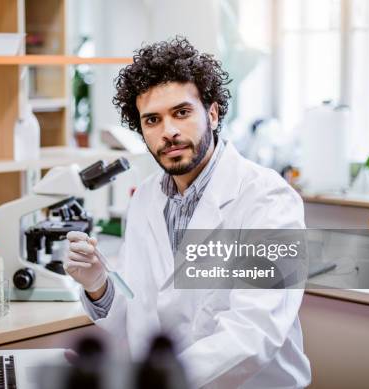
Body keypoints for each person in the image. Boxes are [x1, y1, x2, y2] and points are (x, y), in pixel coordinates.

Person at [64, 37, 311, 389]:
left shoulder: (269, 201)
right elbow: (138, 314)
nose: (169, 132)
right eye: (152, 120)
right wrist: (98, 284)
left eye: (182, 112)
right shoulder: (146, 199)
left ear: (211, 113)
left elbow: (253, 334)